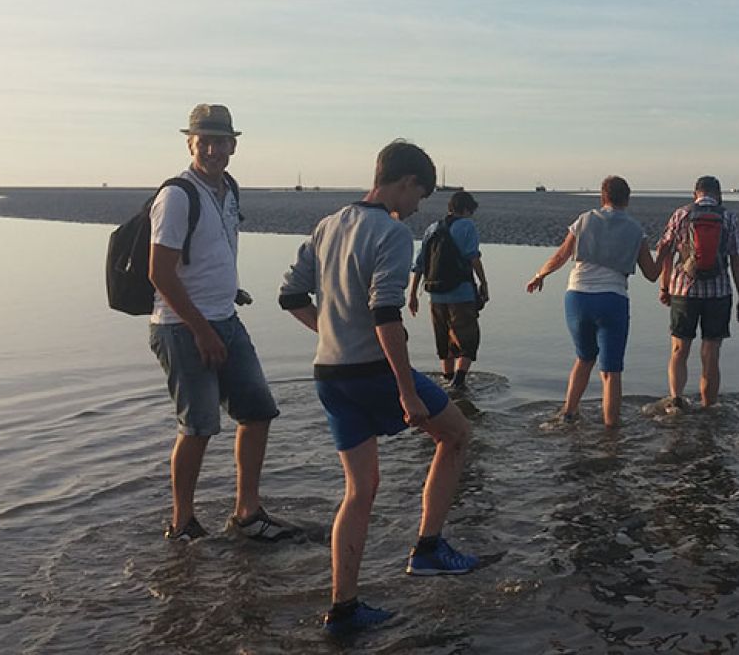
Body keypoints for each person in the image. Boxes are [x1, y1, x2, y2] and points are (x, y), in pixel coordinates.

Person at [278, 140, 480, 637]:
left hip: (329, 373)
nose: (417, 209)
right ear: (406, 182)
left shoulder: (328, 225)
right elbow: (386, 313)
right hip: (375, 371)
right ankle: (429, 548)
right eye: (420, 197)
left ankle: (343, 609)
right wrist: (407, 391)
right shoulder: (390, 233)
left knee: (360, 490)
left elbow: (289, 294)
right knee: (456, 436)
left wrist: (331, 330)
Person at [146, 104, 294, 544]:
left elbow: (210, 253)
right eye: (203, 140)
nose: (212, 149)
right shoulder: (177, 196)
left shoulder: (228, 189)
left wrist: (229, 291)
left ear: (233, 145)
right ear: (190, 143)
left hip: (224, 317)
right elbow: (160, 273)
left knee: (258, 412)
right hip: (181, 326)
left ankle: (247, 512)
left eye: (220, 141)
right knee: (198, 426)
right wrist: (202, 330)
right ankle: (182, 523)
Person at [525, 176, 662, 427]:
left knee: (584, 358)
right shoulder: (635, 230)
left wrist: (539, 275)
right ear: (627, 199)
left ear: (602, 197)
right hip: (612, 300)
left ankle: (568, 414)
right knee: (611, 372)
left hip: (577, 298)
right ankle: (611, 432)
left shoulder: (584, 220)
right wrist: (663, 252)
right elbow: (652, 275)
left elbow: (561, 255)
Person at [656, 175, 739, 409]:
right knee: (711, 352)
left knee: (679, 348)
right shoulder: (728, 217)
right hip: (718, 293)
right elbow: (737, 260)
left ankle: (675, 402)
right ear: (718, 195)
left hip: (684, 290)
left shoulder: (681, 215)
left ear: (694, 194)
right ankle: (709, 406)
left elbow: (665, 253)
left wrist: (664, 285)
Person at [408, 191, 488, 390]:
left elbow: (419, 264)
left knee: (444, 339)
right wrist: (483, 282)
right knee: (468, 339)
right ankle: (459, 382)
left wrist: (412, 295)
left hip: (435, 295)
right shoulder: (467, 226)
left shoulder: (432, 228)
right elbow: (473, 257)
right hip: (460, 293)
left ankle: (447, 378)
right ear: (467, 209)